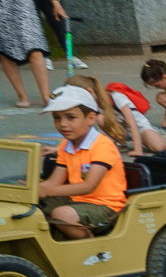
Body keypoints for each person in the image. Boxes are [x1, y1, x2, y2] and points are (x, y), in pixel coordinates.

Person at [39, 88, 126, 239]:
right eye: (57, 118)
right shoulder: (66, 145)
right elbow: (54, 182)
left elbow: (88, 186)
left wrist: (46, 191)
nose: (62, 124)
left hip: (107, 206)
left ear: (91, 118)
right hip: (77, 200)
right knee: (33, 207)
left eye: (70, 117)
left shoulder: (102, 145)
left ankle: (92, 250)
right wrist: (31, 190)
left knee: (61, 214)